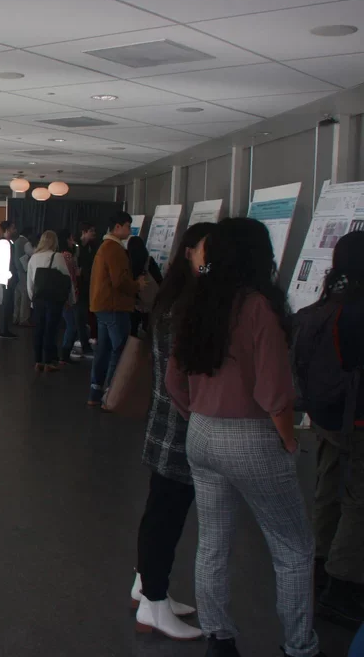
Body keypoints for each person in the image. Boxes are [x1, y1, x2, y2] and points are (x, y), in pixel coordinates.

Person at [166, 217, 320, 657]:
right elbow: (274, 391)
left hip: (201, 432)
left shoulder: (196, 302)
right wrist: (288, 440)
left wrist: (198, 415)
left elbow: (174, 381)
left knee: (213, 541)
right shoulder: (259, 307)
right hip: (251, 436)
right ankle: (299, 647)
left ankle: (219, 637)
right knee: (292, 547)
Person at [132, 221, 215, 641]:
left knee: (162, 510)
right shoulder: (187, 304)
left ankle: (147, 586)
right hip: (178, 426)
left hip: (165, 423)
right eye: (207, 249)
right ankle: (154, 601)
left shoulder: (174, 298)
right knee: (166, 514)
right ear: (189, 252)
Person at [294, 230, 364, 628]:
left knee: (328, 489)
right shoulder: (358, 310)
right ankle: (344, 584)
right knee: (359, 501)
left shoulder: (328, 303)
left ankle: (320, 567)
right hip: (357, 420)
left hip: (326, 416)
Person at [88, 211, 145, 407]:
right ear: (118, 227)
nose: (130, 231)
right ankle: (110, 396)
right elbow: (120, 281)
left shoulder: (105, 247)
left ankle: (95, 393)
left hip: (103, 306)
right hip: (115, 306)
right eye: (128, 226)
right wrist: (137, 285)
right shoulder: (114, 249)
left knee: (103, 350)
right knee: (119, 351)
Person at [27, 230, 74, 372]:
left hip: (38, 298)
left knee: (39, 329)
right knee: (51, 329)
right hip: (54, 299)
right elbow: (67, 280)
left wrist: (32, 299)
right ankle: (48, 362)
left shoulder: (34, 258)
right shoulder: (57, 256)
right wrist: (71, 299)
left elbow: (30, 281)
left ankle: (38, 361)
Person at [127, 235, 164, 336]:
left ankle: (132, 350)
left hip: (134, 301)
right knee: (148, 328)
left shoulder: (127, 262)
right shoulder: (149, 261)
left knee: (133, 329)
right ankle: (146, 349)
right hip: (149, 301)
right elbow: (159, 279)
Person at [57, 229, 84, 364]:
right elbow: (72, 276)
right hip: (69, 294)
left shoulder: (57, 255)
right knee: (72, 324)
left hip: (61, 294)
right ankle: (65, 353)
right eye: (71, 239)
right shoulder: (67, 256)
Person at [75, 222, 99, 357]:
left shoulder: (93, 247)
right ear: (84, 232)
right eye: (91, 230)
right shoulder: (76, 247)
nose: (93, 234)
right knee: (79, 314)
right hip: (79, 285)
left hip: (89, 283)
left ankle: (86, 338)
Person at [0, 220, 19, 340]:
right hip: (7, 277)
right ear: (8, 229)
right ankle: (3, 330)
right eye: (13, 228)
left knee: (8, 302)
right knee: (7, 303)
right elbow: (5, 262)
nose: (15, 230)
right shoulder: (5, 243)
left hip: (7, 277)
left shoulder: (6, 242)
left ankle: (5, 329)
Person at [14, 227, 33, 327]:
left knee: (18, 294)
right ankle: (24, 319)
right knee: (25, 294)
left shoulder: (16, 241)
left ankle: (15, 317)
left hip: (17, 269)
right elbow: (32, 253)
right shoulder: (25, 242)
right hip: (24, 270)